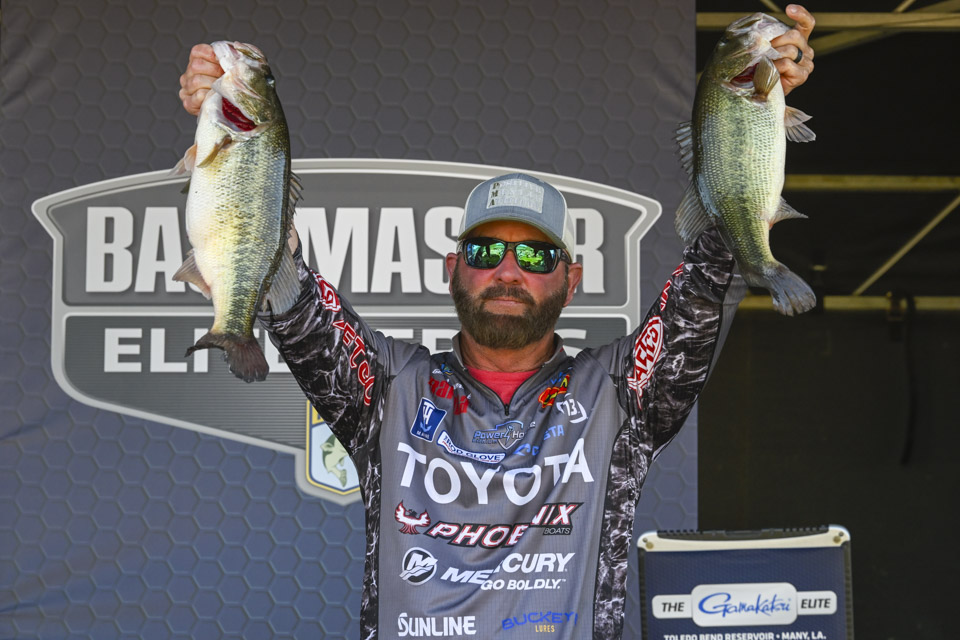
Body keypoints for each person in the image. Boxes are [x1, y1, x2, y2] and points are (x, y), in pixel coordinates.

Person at [178, 6, 816, 638]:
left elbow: (709, 281)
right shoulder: (390, 388)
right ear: (452, 269)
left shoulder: (620, 393)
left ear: (571, 280)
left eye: (536, 255)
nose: (508, 271)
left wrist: (752, 113)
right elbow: (295, 304)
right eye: (485, 251)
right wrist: (232, 136)